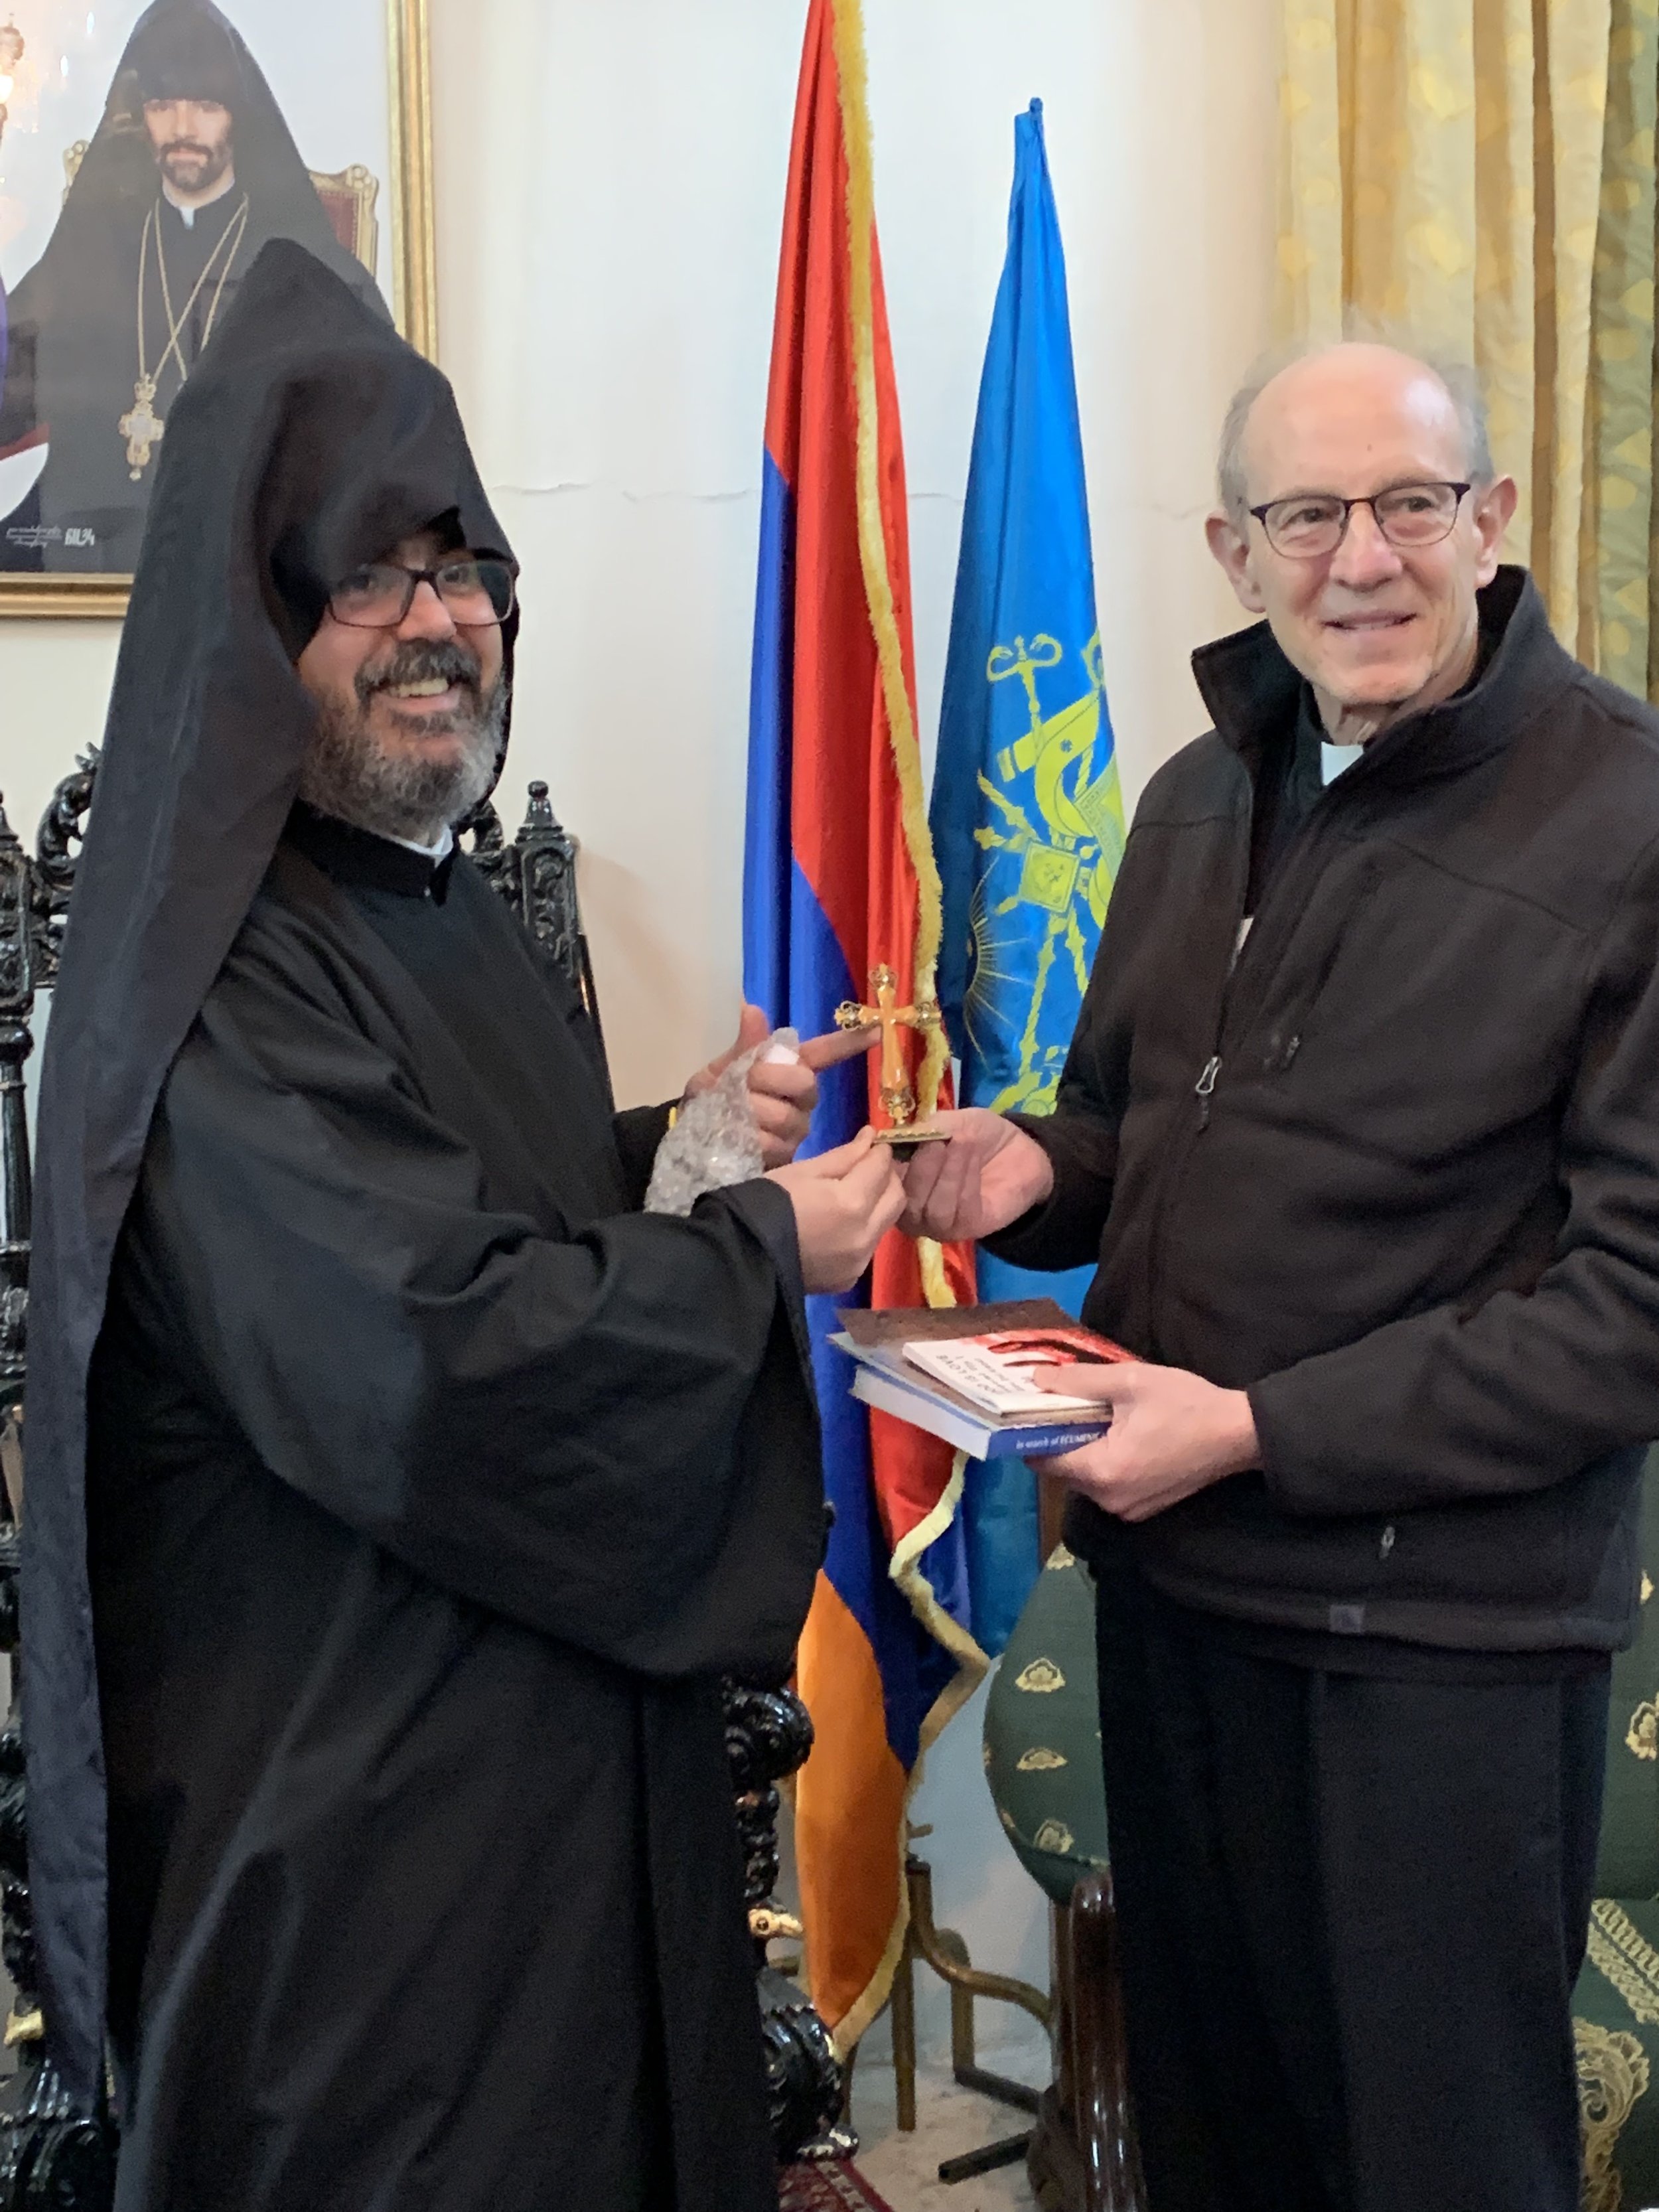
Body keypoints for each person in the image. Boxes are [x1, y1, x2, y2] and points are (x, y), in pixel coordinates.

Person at [23, 238, 900, 2212]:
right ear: (258, 617)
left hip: (552, 1824)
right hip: (369, 1896)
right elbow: (426, 1358)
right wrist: (762, 1247)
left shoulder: (431, 897)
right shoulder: (216, 965)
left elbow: (498, 1211)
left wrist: (682, 1154)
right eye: (366, 574)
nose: (436, 623)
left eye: (465, 568)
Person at [900, 338, 1659, 2212]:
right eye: (1307, 514)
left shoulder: (1628, 818)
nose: (1363, 558)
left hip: (1438, 1654)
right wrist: (1024, 1172)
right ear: (1235, 551)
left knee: (1423, 2166)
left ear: (1490, 523)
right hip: (1174, 1605)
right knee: (1221, 2146)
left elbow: (1629, 1305)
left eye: (1409, 503)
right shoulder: (1184, 793)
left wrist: (1250, 1427)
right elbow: (1133, 1128)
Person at [0, 0, 382, 575]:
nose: (182, 130)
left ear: (238, 116)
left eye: (206, 106)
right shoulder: (91, 250)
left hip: (240, 541)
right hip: (93, 536)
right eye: (162, 105)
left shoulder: (302, 263)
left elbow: (370, 416)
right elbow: (12, 394)